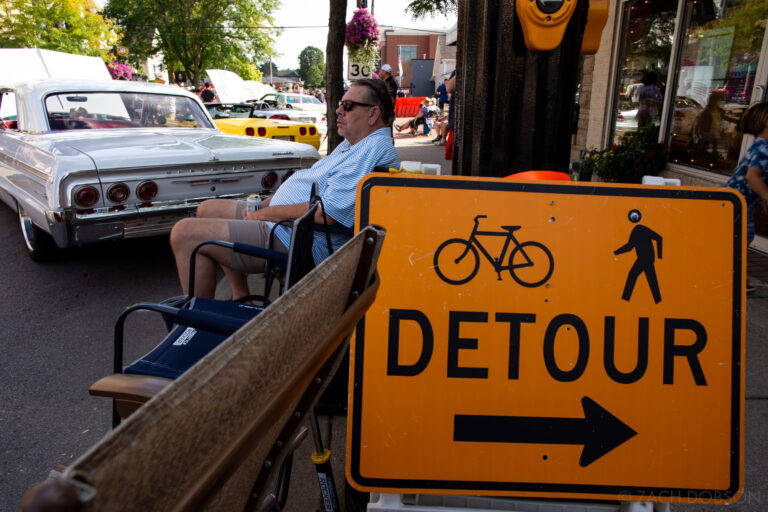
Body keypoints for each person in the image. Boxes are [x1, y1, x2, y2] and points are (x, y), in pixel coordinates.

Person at [169, 78, 400, 299]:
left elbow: (326, 213)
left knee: (185, 234)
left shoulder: (373, 148)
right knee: (208, 209)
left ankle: (195, 328)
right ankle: (242, 294)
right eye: (340, 104)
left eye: (348, 106)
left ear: (373, 113)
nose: (339, 110)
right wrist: (265, 204)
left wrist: (262, 214)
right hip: (290, 226)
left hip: (298, 238)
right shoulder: (355, 144)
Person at [726, 102, 768, 247]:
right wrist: (766, 196)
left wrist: (761, 200)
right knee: (743, 238)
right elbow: (752, 176)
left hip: (737, 200)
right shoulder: (764, 147)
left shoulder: (759, 145)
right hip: (739, 201)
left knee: (740, 238)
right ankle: (729, 268)